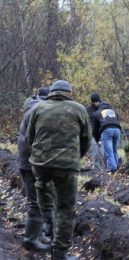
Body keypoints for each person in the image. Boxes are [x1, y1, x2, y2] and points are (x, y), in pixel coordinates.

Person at [26, 80, 91, 260]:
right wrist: (74, 157)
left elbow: (29, 137)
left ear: (52, 92)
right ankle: (59, 254)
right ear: (69, 92)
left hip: (40, 163)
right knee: (65, 209)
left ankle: (48, 221)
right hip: (66, 165)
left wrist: (39, 156)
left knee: (44, 196)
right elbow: (86, 140)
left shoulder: (38, 108)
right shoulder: (79, 109)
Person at [18, 87, 52, 252]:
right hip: (32, 165)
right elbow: (37, 142)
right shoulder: (38, 112)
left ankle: (37, 235)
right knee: (36, 201)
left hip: (30, 162)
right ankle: (31, 239)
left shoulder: (34, 109)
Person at [93, 102, 121, 173]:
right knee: (115, 150)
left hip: (106, 130)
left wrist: (96, 139)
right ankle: (116, 166)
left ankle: (113, 170)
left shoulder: (98, 113)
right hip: (117, 130)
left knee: (109, 152)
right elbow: (118, 121)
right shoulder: (114, 111)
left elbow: (95, 129)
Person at [86, 93, 105, 171]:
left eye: (97, 101)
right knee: (95, 151)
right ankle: (97, 169)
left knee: (103, 151)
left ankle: (104, 168)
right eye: (94, 102)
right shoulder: (88, 110)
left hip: (102, 132)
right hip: (92, 133)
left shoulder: (103, 108)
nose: (96, 103)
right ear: (92, 102)